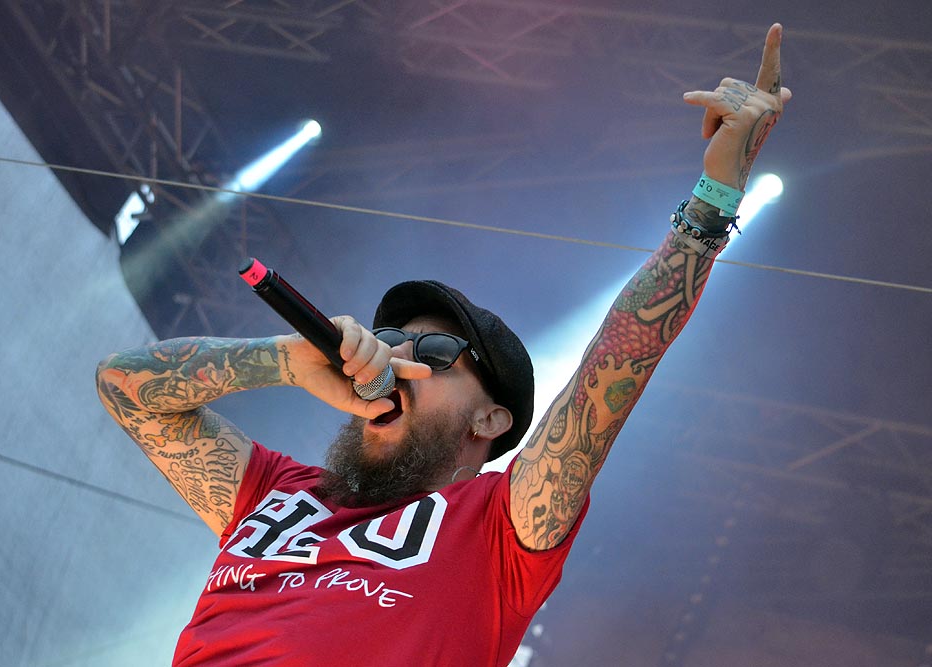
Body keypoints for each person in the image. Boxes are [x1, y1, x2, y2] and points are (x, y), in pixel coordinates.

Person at [96, 23, 791, 667]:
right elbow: (123, 387)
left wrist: (715, 194)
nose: (396, 360)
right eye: (389, 340)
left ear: (489, 418)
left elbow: (616, 362)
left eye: (432, 354)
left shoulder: (498, 532)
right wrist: (283, 359)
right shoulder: (276, 491)